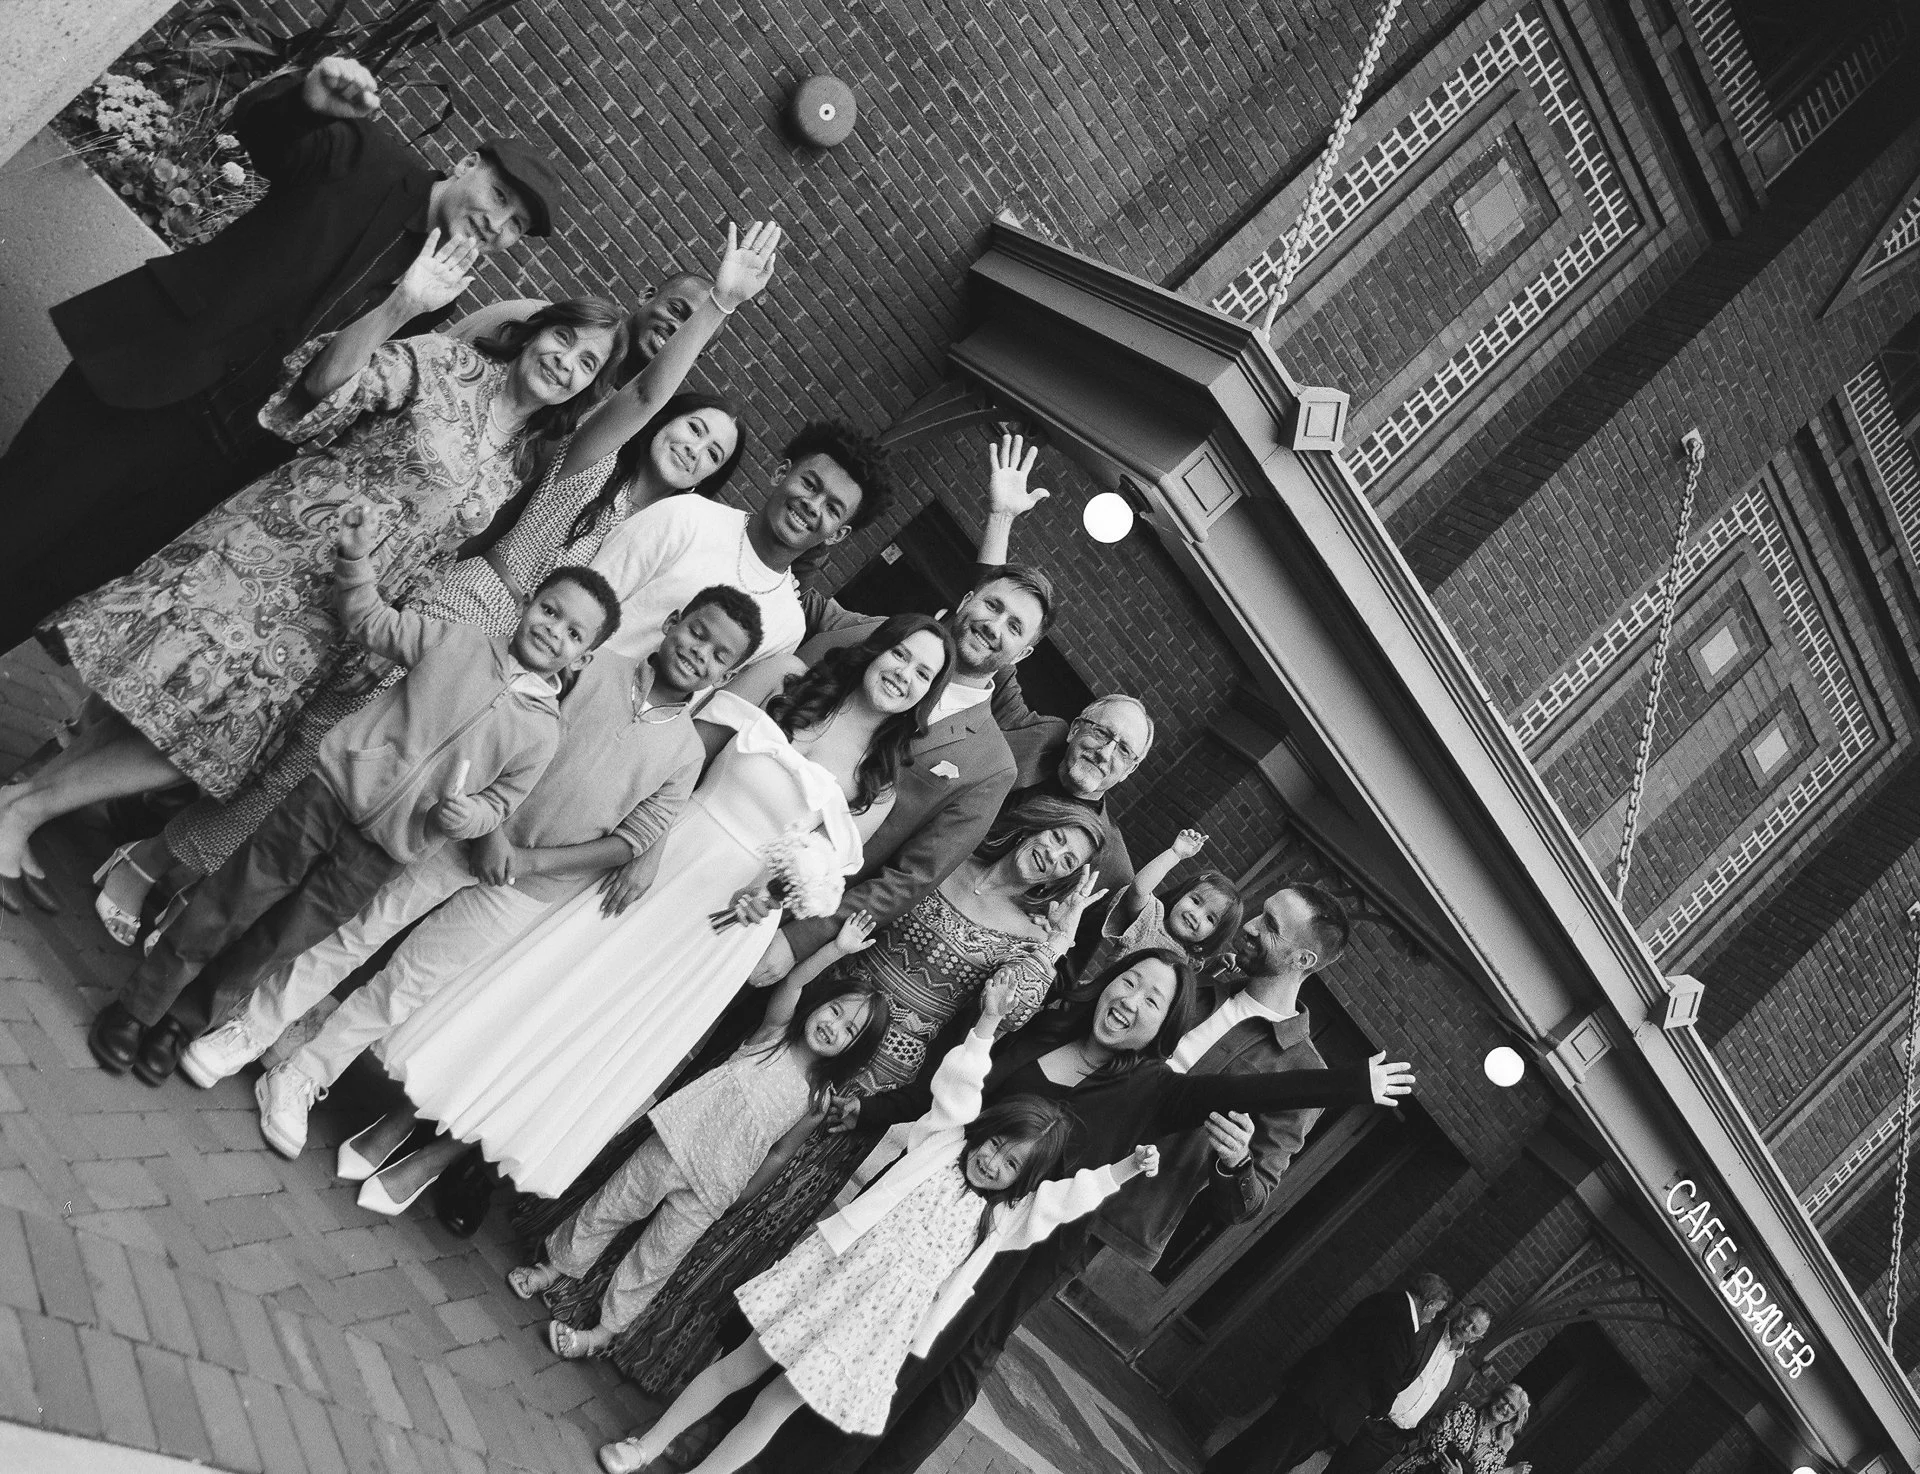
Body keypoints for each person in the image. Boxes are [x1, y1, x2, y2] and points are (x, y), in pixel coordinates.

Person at [97, 226, 773, 936]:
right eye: (690, 427)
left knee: (333, 776)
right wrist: (718, 306)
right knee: (306, 750)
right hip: (463, 605)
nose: (690, 447)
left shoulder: (657, 531)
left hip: (507, 659)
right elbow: (639, 401)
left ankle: (191, 887)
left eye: (711, 453)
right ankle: (153, 862)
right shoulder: (585, 457)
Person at [4, 231, 628, 914]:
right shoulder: (447, 363)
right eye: (563, 340)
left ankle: (20, 806)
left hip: (333, 617)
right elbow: (327, 387)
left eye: (586, 362)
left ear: (591, 386)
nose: (565, 363)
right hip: (272, 554)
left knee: (197, 734)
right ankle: (22, 812)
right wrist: (400, 308)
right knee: (165, 699)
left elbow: (440, 549)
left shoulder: (521, 462)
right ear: (535, 332)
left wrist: (384, 636)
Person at [326, 613, 958, 1214]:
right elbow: (682, 757)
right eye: (900, 652)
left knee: (587, 1037)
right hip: (659, 860)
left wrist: (769, 898)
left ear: (928, 697)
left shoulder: (876, 790)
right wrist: (644, 847)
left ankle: (438, 1156)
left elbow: (813, 877)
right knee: (536, 987)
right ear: (876, 647)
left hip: (716, 932)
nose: (903, 672)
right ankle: (407, 1115)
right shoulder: (783, 680)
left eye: (923, 673)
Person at [525, 794, 1112, 1391]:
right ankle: (570, 1263)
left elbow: (1004, 1016)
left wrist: (1053, 949)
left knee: (762, 1193)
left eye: (1071, 858)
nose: (1055, 855)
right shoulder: (951, 856)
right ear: (1033, 825)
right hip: (825, 1013)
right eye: (1058, 837)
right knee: (692, 1142)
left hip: (880, 1074)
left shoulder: (1028, 937)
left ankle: (645, 1334)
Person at [778, 927, 1412, 1474]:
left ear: (1304, 957)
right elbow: (968, 1091)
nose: (1250, 930)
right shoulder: (1190, 988)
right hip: (973, 1187)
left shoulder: (1246, 1064)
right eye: (1131, 985)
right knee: (893, 1326)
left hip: (1077, 1208)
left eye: (1272, 926)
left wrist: (1344, 1089)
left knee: (954, 1347)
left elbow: (1244, 1195)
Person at [0, 55, 563, 651]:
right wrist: (304, 101)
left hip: (222, 457)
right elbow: (271, 136)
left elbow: (341, 378)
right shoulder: (368, 161)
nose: (494, 223)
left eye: (514, 226)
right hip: (154, 380)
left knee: (64, 584)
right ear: (466, 163)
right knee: (21, 518)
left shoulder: (441, 288)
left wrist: (407, 304)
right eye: (498, 195)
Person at [174, 585, 763, 1147]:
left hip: (531, 884)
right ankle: (250, 1029)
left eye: (718, 655)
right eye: (697, 632)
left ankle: (302, 1074)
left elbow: (631, 839)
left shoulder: (686, 753)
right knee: (354, 932)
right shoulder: (588, 664)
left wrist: (527, 859)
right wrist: (492, 829)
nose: (698, 652)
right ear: (673, 622)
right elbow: (499, 732)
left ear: (727, 676)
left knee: (407, 985)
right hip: (455, 834)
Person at [86, 509, 620, 1084]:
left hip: (384, 852)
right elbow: (371, 622)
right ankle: (138, 1007)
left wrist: (471, 817)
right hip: (326, 796)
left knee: (277, 942)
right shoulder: (458, 642)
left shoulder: (543, 733)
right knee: (229, 903)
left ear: (583, 657)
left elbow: (502, 802)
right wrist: (357, 561)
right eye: (550, 610)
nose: (553, 630)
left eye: (573, 633)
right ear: (528, 602)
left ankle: (182, 1024)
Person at [595, 976, 1160, 1474]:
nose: (993, 1162)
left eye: (1011, 1164)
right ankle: (647, 1445)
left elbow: (1063, 1202)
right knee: (738, 1368)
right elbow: (964, 1079)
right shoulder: (944, 1141)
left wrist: (1125, 1169)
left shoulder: (1006, 1216)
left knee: (774, 1407)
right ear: (984, 1129)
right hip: (825, 1274)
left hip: (870, 1324)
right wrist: (987, 1023)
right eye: (995, 1145)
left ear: (1023, 1179)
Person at [742, 435, 1058, 994]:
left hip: (783, 912)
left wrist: (800, 938)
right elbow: (788, 595)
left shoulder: (990, 766)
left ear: (1024, 655)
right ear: (967, 600)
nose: (994, 625)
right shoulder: (865, 636)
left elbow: (906, 879)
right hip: (726, 820)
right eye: (993, 605)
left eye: (1015, 628)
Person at [513, 912, 892, 1357]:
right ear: (822, 1002)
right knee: (608, 1209)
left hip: (714, 1190)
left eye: (851, 1030)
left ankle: (602, 1334)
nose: (835, 1025)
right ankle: (552, 1268)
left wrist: (744, 1194)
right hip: (673, 1145)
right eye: (836, 1010)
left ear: (855, 1050)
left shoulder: (816, 1101)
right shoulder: (774, 1034)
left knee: (653, 1262)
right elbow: (792, 985)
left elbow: (779, 1154)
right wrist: (837, 949)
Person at [588, 416, 894, 666]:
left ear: (838, 534)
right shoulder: (687, 517)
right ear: (781, 473)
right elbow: (585, 599)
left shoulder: (787, 625)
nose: (812, 506)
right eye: (810, 485)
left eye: (832, 508)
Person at [1201, 1273, 1455, 1474]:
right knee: (1276, 1453)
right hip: (1329, 1405)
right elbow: (1387, 1377)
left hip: (1314, 1387)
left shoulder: (1383, 1300)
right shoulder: (1402, 1325)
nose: (1433, 1318)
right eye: (1436, 1311)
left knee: (1265, 1435)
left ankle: (1218, 1469)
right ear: (1429, 1304)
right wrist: (1381, 1409)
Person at [1325, 1301, 1493, 1474]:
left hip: (1392, 1439)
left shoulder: (1464, 1371)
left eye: (1474, 1329)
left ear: (1476, 1339)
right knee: (1310, 1452)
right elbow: (1385, 1364)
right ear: (1461, 1311)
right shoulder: (1425, 1329)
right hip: (1369, 1414)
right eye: (1468, 1320)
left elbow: (1440, 1411)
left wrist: (1411, 1443)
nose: (1467, 1328)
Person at [1088, 827, 1243, 976]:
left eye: (1210, 918)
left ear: (1213, 936)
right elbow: (1139, 889)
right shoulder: (1150, 922)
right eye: (1195, 901)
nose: (1196, 915)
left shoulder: (1188, 963)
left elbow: (1193, 990)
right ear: (1181, 896)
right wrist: (1175, 853)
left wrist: (1218, 965)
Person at [1400, 1383, 1531, 1474]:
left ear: (1513, 1417)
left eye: (1512, 1407)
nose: (1505, 1407)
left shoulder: (1499, 1448)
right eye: (1504, 1399)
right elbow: (1437, 1444)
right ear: (1496, 1396)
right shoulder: (1464, 1413)